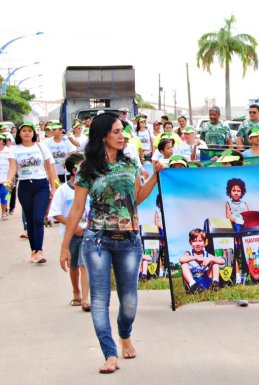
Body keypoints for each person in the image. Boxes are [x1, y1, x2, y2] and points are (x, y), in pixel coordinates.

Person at [59, 112, 163, 374]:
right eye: (116, 131)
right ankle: (109, 354)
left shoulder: (130, 164)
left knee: (129, 301)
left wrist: (154, 177)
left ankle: (125, 333)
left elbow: (137, 198)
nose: (122, 136)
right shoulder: (88, 169)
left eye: (123, 132)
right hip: (97, 241)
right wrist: (65, 245)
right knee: (99, 300)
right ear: (103, 135)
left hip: (129, 240)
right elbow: (77, 209)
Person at [7, 122, 59, 263]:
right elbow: (12, 168)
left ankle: (39, 250)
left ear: (34, 133)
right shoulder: (15, 150)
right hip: (24, 186)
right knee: (29, 219)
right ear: (19, 133)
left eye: (30, 130)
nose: (27, 133)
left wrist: (53, 188)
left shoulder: (42, 147)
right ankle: (33, 251)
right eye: (24, 130)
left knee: (38, 218)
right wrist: (9, 180)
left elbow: (49, 169)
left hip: (41, 184)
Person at [48, 152, 90, 311]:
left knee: (84, 264)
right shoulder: (63, 190)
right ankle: (76, 292)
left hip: (88, 232)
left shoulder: (90, 188)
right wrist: (73, 226)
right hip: (71, 235)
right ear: (74, 170)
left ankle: (86, 299)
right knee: (74, 266)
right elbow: (55, 213)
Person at [179, 228, 225, 293]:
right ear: (190, 242)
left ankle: (215, 284)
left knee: (215, 262)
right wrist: (195, 257)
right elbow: (181, 259)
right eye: (194, 241)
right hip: (194, 280)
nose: (197, 244)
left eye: (200, 241)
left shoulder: (206, 254)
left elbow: (222, 261)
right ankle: (193, 286)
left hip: (206, 279)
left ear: (205, 242)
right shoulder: (189, 253)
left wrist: (210, 259)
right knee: (184, 264)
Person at [0, 133, 11, 220]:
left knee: (5, 195)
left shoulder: (9, 150)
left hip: (6, 178)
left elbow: (13, 164)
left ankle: (4, 213)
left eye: (0, 139)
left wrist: (12, 177)